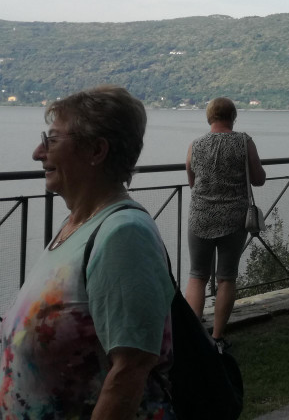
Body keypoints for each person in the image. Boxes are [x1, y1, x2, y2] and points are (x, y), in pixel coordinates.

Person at [1, 86, 175, 418]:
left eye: (52, 140)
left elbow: (130, 371)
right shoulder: (77, 225)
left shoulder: (124, 235)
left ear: (96, 150)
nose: (38, 153)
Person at [185, 96, 266, 352]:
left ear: (209, 117)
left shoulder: (196, 145)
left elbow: (192, 181)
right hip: (233, 219)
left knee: (197, 276)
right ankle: (217, 338)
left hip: (200, 217)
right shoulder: (244, 141)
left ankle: (194, 340)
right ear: (233, 117)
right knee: (226, 278)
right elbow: (258, 179)